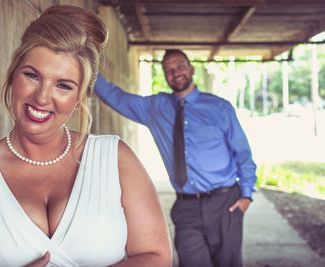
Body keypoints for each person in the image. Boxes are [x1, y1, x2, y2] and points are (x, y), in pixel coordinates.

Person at [0, 5, 172, 267]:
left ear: (80, 97)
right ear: (13, 74)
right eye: (32, 76)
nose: (42, 97)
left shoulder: (115, 158)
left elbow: (157, 257)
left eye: (63, 85)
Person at [94, 49, 257, 267]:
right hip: (186, 207)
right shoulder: (154, 108)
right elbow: (116, 97)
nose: (175, 72)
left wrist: (246, 196)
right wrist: (86, 66)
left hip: (225, 203)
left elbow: (243, 154)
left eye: (180, 66)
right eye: (168, 70)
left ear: (191, 69)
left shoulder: (219, 108)